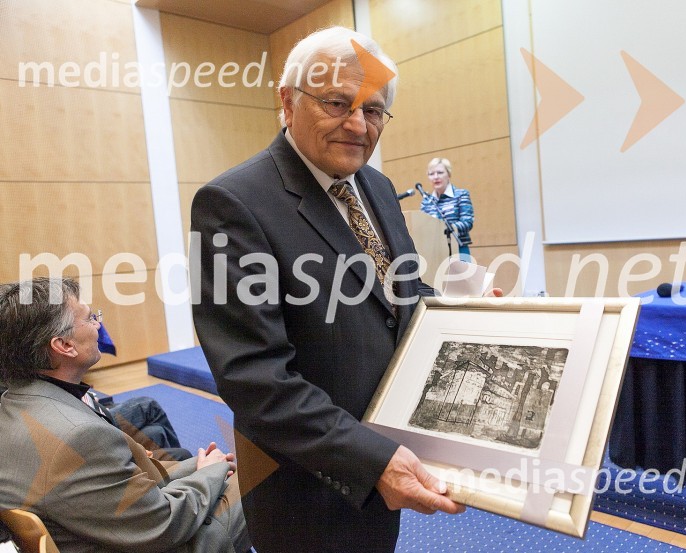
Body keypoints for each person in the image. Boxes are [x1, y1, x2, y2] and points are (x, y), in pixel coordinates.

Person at [190, 26, 465, 553]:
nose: (358, 124)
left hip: (384, 459)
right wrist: (369, 458)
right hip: (305, 486)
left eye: (374, 110)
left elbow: (400, 290)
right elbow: (254, 379)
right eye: (337, 102)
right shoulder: (233, 203)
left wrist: (467, 313)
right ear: (288, 102)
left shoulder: (377, 187)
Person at [0, 277, 251, 553]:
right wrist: (212, 472)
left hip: (115, 526)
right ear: (65, 346)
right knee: (265, 478)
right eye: (90, 318)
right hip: (159, 539)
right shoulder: (78, 435)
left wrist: (200, 468)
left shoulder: (14, 404)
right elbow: (164, 525)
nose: (98, 326)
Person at [420, 158, 475, 259]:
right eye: (431, 174)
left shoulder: (461, 195)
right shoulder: (426, 201)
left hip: (459, 249)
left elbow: (467, 222)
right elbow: (424, 228)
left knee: (463, 275)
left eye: (440, 172)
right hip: (435, 252)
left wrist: (444, 230)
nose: (435, 177)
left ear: (449, 174)